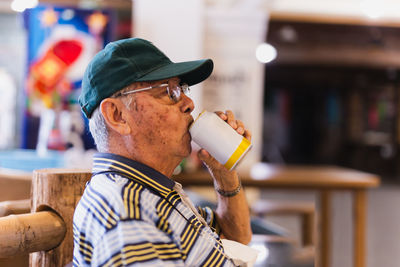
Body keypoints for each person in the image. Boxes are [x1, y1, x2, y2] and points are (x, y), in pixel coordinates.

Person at [73, 38, 253, 266]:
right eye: (170, 92)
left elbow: (237, 237)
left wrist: (224, 173)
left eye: (182, 89)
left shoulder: (150, 189)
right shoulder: (128, 216)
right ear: (117, 116)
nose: (189, 103)